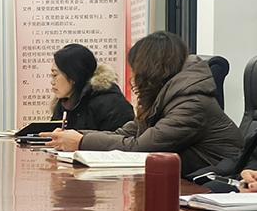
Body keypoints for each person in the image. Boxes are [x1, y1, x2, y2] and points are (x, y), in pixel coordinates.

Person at [42, 31, 243, 176]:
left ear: (151, 69)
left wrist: (81, 142)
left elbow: (142, 148)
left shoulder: (192, 103)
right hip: (180, 179)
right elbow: (125, 133)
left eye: (136, 68)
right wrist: (75, 136)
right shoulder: (163, 96)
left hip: (212, 183)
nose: (134, 76)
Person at [50, 43, 133, 130]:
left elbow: (121, 137)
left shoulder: (111, 104)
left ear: (72, 76)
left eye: (55, 75)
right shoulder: (64, 102)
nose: (52, 82)